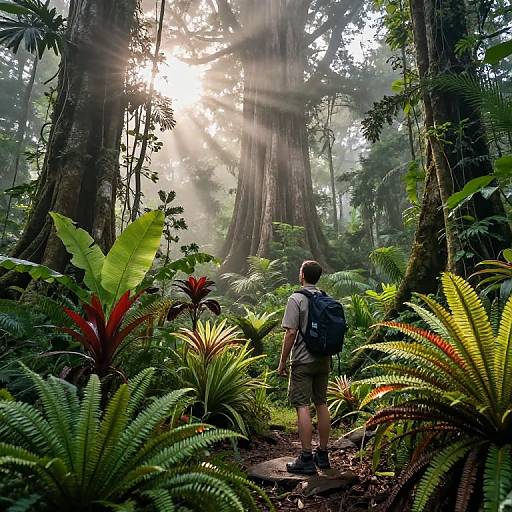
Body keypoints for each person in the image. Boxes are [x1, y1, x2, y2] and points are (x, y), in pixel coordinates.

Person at [278, 260, 331, 475]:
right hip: (323, 359)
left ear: (302, 275)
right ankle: (323, 455)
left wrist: (282, 361)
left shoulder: (296, 298)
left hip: (302, 360)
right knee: (322, 402)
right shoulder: (325, 298)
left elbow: (290, 333)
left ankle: (307, 457)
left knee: (302, 405)